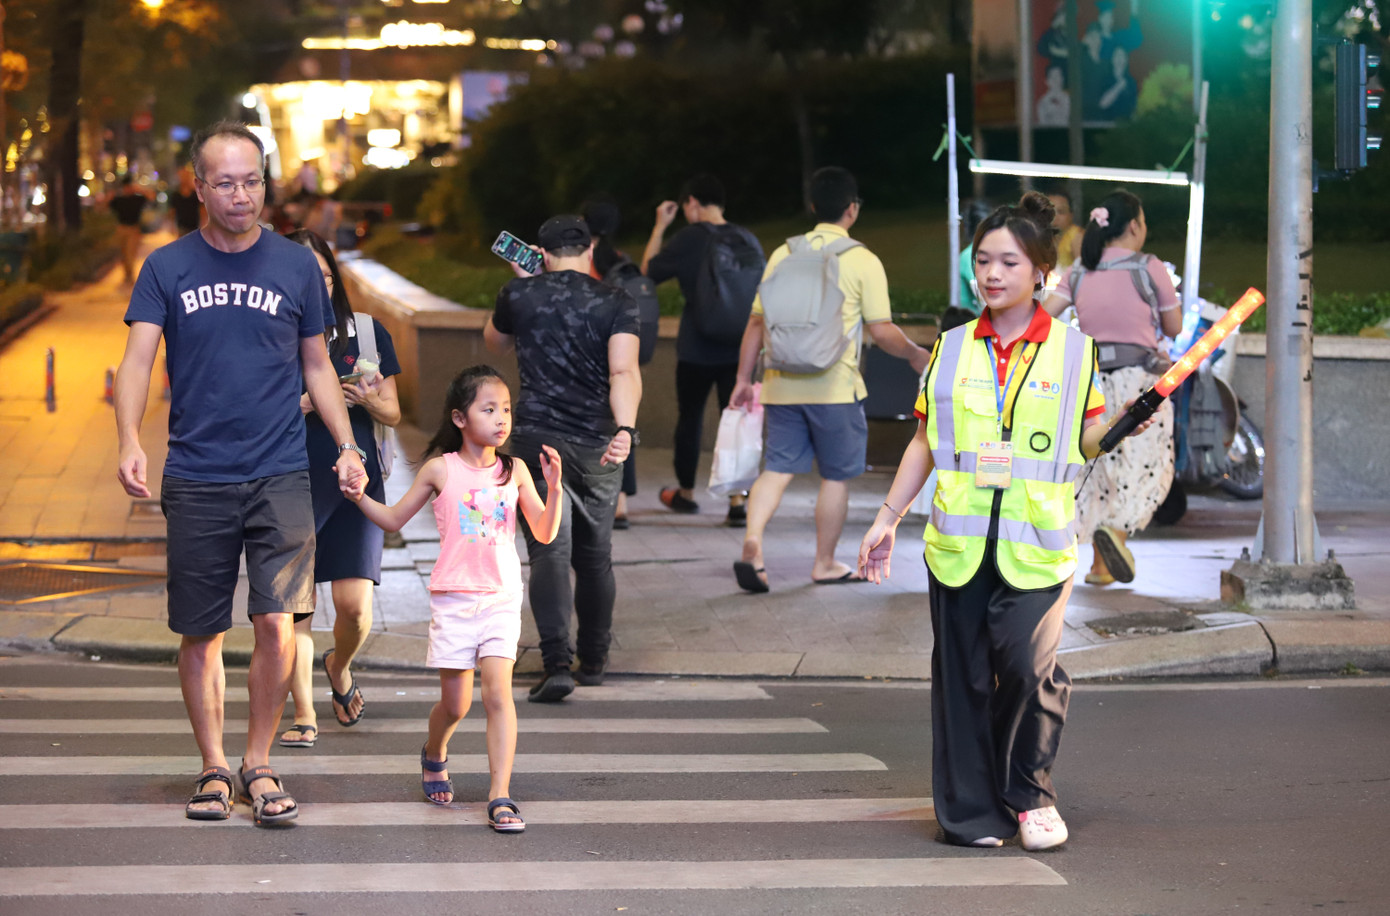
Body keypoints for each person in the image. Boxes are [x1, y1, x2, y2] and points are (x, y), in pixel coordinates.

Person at [856, 192, 1154, 852]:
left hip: (1038, 546)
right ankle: (971, 812)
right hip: (958, 545)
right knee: (961, 680)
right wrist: (887, 517)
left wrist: (1120, 424)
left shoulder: (1074, 352)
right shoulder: (952, 348)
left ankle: (1030, 794)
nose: (992, 274)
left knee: (1026, 667)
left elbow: (1085, 440)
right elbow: (926, 440)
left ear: (1041, 271)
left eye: (1008, 262)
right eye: (983, 260)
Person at [114, 121, 366, 826]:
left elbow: (318, 365)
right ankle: (213, 767)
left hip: (281, 470)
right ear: (199, 188)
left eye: (251, 181)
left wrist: (346, 445)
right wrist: (129, 439)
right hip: (197, 474)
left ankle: (258, 761)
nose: (240, 195)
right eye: (224, 183)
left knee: (277, 622)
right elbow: (136, 361)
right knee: (200, 632)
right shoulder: (167, 267)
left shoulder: (294, 266)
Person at [350, 366, 562, 832]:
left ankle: (500, 795)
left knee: (498, 695)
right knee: (456, 704)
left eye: (506, 409)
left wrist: (554, 486)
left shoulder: (515, 471)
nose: (501, 418)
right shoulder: (440, 469)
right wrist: (360, 496)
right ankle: (435, 751)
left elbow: (545, 533)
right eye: (489, 409)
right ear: (460, 418)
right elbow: (393, 520)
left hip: (501, 597)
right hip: (454, 601)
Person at [729, 167, 930, 591]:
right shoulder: (862, 260)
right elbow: (881, 330)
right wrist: (915, 354)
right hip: (835, 387)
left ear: (813, 206)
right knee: (836, 476)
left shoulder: (782, 254)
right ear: (852, 209)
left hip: (780, 382)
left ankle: (753, 540)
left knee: (777, 468)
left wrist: (744, 379)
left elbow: (755, 323)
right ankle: (824, 563)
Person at [484, 215, 642, 702]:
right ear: (590, 250)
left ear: (542, 253)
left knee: (548, 550)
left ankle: (556, 663)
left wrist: (523, 282)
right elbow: (624, 371)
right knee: (595, 557)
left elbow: (494, 342)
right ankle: (593, 660)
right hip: (598, 443)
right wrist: (625, 429)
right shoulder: (616, 300)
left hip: (536, 441)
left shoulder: (519, 295)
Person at [277, 229, 402, 749]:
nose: (318, 287)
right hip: (289, 483)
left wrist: (366, 399)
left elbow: (394, 412)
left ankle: (339, 664)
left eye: (325, 277)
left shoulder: (366, 334)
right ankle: (304, 712)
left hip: (355, 485)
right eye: (306, 277)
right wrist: (307, 403)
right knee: (295, 610)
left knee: (354, 608)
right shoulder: (270, 335)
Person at [1042, 189, 1182, 584]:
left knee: (1095, 470)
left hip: (1088, 385)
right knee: (1140, 467)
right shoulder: (1149, 266)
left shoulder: (1078, 271)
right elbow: (1173, 328)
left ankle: (1099, 566)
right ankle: (1114, 535)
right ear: (1135, 226)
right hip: (1139, 386)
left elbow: (1044, 319)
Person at [642, 174, 763, 526]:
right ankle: (737, 500)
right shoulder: (747, 238)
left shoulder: (689, 237)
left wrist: (660, 226)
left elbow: (648, 271)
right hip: (740, 348)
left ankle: (686, 493)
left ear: (692, 202)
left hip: (697, 347)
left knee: (690, 419)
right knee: (736, 420)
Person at [584, 197, 657, 530]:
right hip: (621, 351)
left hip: (589, 354)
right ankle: (622, 502)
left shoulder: (583, 261)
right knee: (623, 423)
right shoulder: (621, 261)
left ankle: (591, 496)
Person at [109, 175, 151, 285]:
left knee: (130, 253)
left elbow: (151, 196)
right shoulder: (119, 199)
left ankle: (130, 275)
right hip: (121, 228)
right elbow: (105, 205)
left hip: (133, 229)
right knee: (123, 253)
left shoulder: (137, 199)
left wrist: (139, 189)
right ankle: (127, 274)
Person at [1048, 192, 1083, 270]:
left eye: (1061, 212)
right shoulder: (1041, 238)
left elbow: (1083, 272)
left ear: (1071, 215)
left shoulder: (1077, 237)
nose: (1055, 217)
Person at [169, 166, 202, 237]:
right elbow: (172, 212)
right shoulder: (176, 195)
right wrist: (171, 226)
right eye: (182, 176)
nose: (184, 178)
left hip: (195, 228)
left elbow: (202, 211)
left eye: (186, 176)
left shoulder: (196, 194)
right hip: (181, 228)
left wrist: (203, 225)